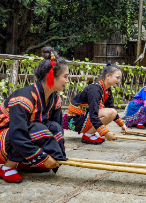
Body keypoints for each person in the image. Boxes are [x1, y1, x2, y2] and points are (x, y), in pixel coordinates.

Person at [0, 47, 68, 183]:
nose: (67, 81)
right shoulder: (23, 98)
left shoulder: (55, 99)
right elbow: (17, 134)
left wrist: (56, 156)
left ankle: (26, 162)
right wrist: (42, 157)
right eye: (65, 77)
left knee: (53, 127)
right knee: (36, 128)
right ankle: (8, 166)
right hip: (5, 139)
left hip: (17, 138)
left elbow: (57, 128)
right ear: (51, 76)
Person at [64, 62, 128, 144]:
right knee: (110, 112)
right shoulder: (95, 90)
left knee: (112, 112)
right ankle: (88, 135)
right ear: (108, 76)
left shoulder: (107, 90)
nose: (119, 81)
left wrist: (122, 125)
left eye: (120, 78)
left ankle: (90, 134)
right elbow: (93, 113)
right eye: (117, 77)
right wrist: (106, 133)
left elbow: (111, 108)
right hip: (76, 120)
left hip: (85, 116)